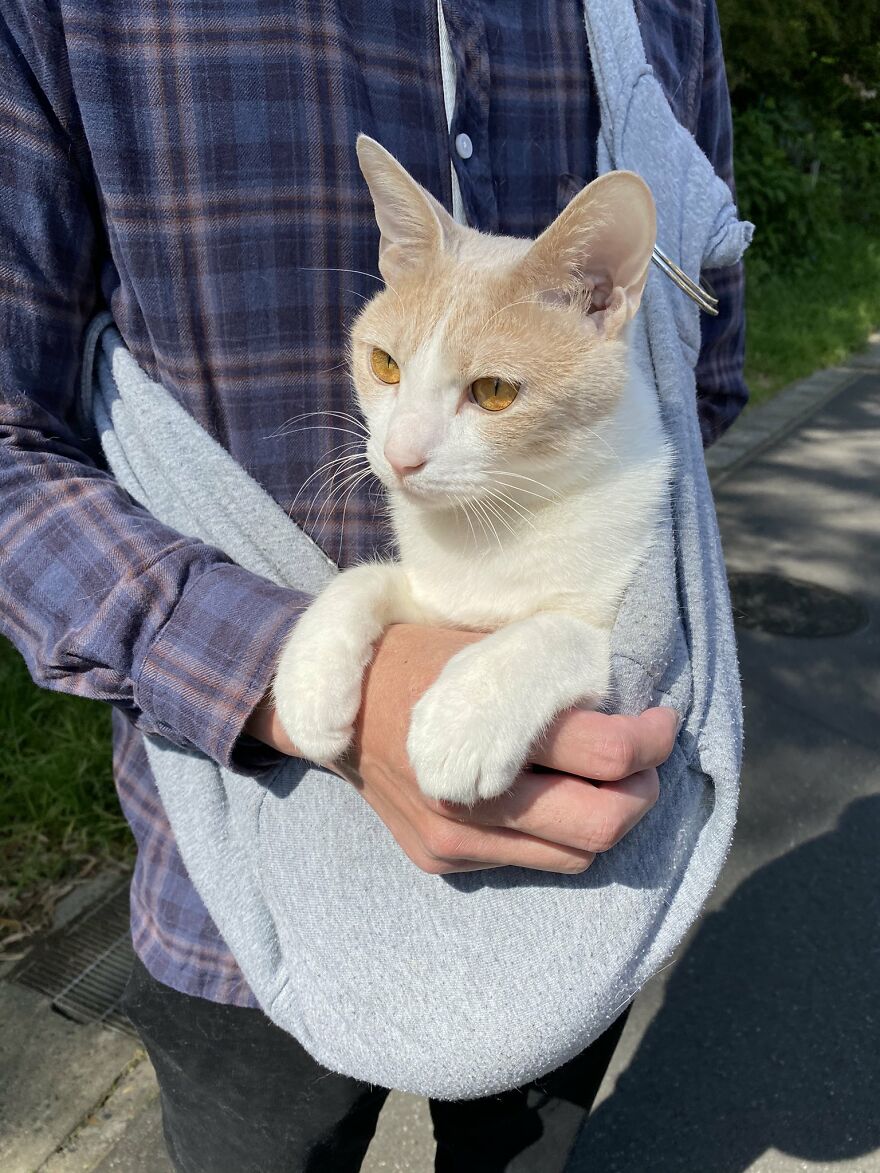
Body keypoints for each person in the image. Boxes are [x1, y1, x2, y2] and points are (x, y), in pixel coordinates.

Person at [0, 1, 746, 1169]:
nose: (396, 448)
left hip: (574, 886)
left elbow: (702, 381)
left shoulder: (661, 15)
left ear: (603, 298)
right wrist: (262, 672)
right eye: (386, 366)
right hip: (245, 868)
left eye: (484, 393)